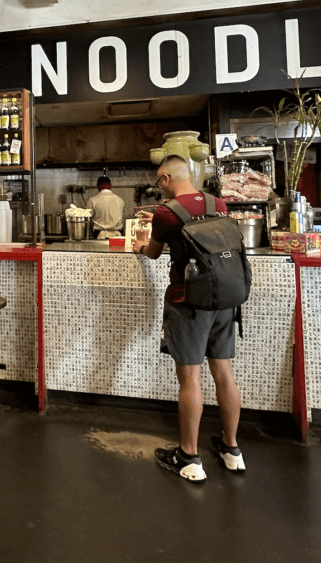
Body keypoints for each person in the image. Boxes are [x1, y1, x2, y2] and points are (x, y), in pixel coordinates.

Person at [131, 155, 245, 483]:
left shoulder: (167, 213)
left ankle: (189, 456)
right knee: (223, 372)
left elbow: (153, 252)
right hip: (225, 298)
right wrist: (160, 216)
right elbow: (193, 223)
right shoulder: (218, 203)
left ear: (166, 177)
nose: (158, 185)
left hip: (188, 301)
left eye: (159, 181)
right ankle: (231, 449)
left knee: (190, 378)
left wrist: (141, 244)